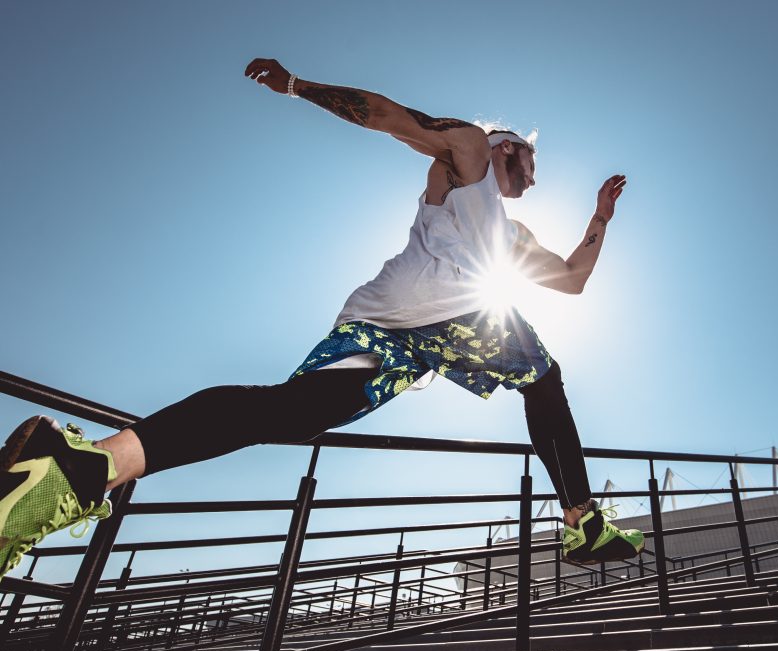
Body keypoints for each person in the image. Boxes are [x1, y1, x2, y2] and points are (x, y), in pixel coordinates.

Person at [0, 58, 643, 578]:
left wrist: (600, 220)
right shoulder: (466, 153)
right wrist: (299, 87)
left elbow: (573, 280)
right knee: (293, 412)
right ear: (508, 149)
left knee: (299, 412)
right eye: (531, 166)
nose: (533, 179)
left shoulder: (513, 236)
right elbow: (392, 118)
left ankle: (77, 471)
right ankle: (80, 465)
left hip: (433, 336)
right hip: (395, 321)